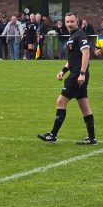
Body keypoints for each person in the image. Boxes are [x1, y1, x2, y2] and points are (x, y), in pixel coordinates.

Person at [37, 12, 97, 145]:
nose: (70, 24)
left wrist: (82, 73)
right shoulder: (72, 37)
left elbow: (86, 53)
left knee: (61, 101)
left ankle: (53, 135)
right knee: (84, 105)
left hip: (77, 75)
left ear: (77, 22)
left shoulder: (80, 34)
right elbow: (72, 59)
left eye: (72, 21)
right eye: (67, 22)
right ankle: (92, 138)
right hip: (76, 73)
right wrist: (63, 71)